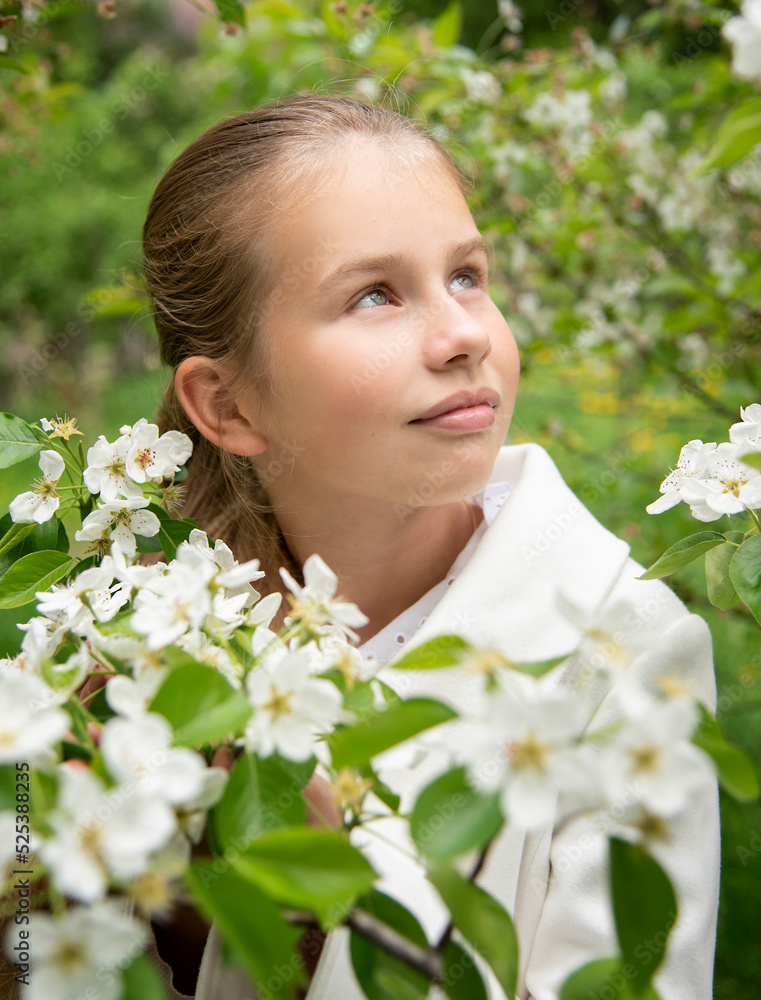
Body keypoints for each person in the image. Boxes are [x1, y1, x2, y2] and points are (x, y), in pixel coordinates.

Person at [141, 93, 720, 1000]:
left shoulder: (620, 649)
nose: (462, 336)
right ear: (228, 405)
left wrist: (335, 913)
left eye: (466, 275)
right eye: (375, 294)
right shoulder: (141, 645)